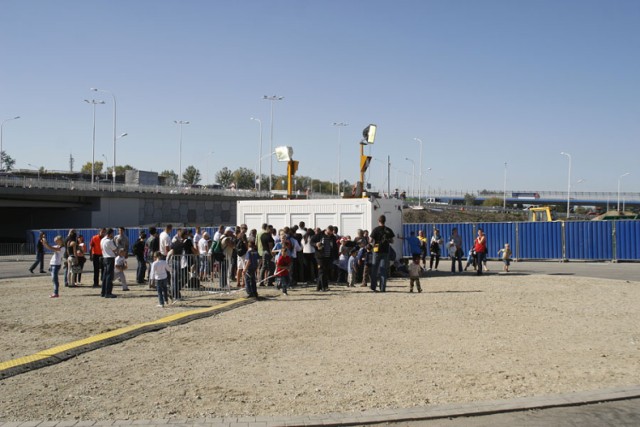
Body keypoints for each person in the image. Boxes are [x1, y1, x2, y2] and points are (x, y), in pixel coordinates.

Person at [369, 215, 396, 292]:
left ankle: (373, 287)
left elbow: (370, 240)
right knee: (383, 270)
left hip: (376, 251)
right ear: (385, 221)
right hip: (385, 251)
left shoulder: (375, 230)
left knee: (374, 269)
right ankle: (382, 288)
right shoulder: (388, 230)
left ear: (379, 221)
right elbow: (392, 241)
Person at [100, 228, 118, 298]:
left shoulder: (102, 240)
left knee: (105, 275)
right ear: (110, 234)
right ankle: (108, 292)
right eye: (112, 234)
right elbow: (115, 249)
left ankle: (103, 292)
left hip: (104, 258)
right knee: (109, 276)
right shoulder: (109, 241)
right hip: (110, 258)